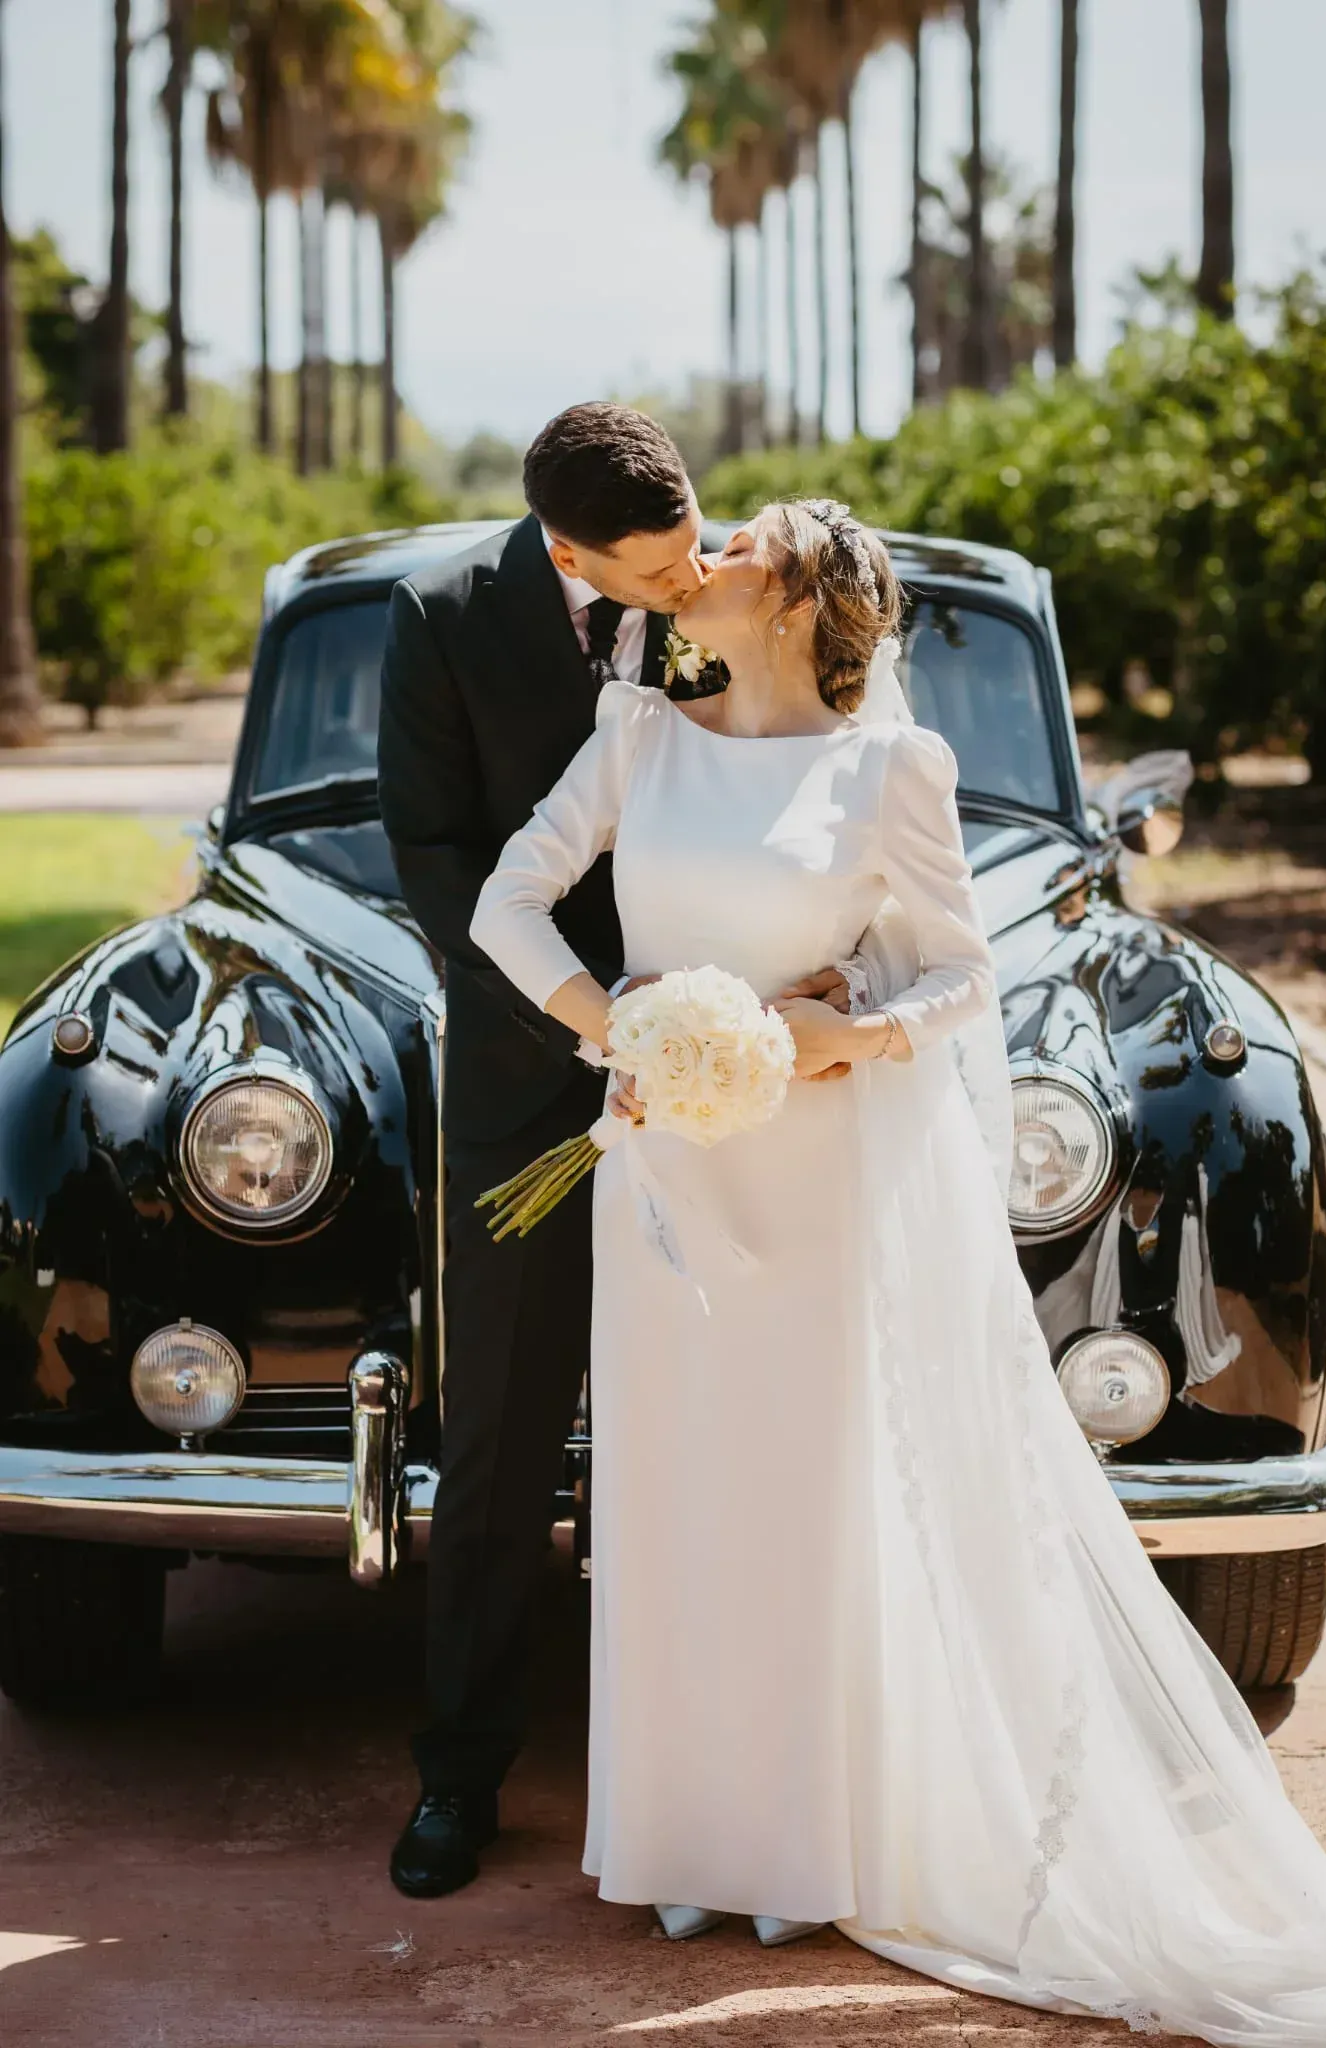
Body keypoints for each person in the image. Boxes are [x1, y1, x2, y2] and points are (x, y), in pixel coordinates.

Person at [468, 498, 1326, 2043]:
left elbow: (962, 975)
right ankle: (683, 1837)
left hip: (821, 1175)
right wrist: (625, 1032)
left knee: (804, 1500)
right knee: (676, 1492)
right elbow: (506, 905)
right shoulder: (636, 735)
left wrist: (850, 1037)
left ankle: (796, 1845)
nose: (707, 550)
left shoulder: (894, 768)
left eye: (745, 538)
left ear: (800, 601)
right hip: (669, 1173)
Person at [376, 409, 858, 1900]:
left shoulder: (722, 594)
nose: (686, 581)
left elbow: (796, 787)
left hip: (735, 1096)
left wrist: (769, 998)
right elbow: (439, 860)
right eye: (651, 573)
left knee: (735, 1427)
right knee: (503, 1434)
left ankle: (738, 1783)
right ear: (567, 555)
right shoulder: (440, 618)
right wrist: (606, 1031)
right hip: (531, 1082)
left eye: (693, 543)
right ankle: (460, 1777)